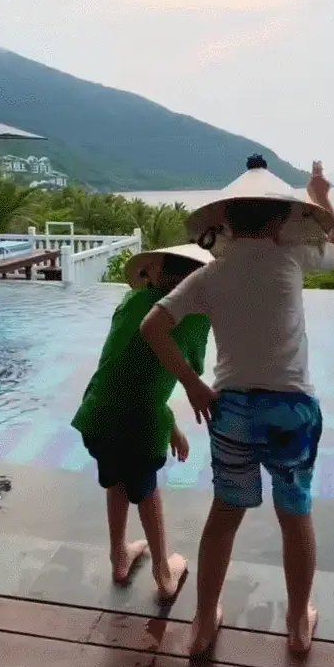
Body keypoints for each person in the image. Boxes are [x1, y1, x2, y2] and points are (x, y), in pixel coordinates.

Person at [140, 160, 334, 653]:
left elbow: (153, 327)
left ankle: (202, 624)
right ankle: (297, 624)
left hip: (232, 411)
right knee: (295, 514)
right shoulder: (295, 256)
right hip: (292, 410)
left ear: (226, 224)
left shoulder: (211, 275)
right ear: (282, 221)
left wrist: (193, 385)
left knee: (225, 515)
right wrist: (321, 196)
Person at [71, 244, 212, 600]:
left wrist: (171, 426)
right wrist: (169, 424)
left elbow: (128, 372)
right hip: (138, 425)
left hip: (96, 414)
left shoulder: (130, 302)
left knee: (116, 481)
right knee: (147, 492)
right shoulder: (194, 317)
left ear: (156, 273)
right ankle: (164, 574)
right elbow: (190, 367)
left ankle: (119, 556)